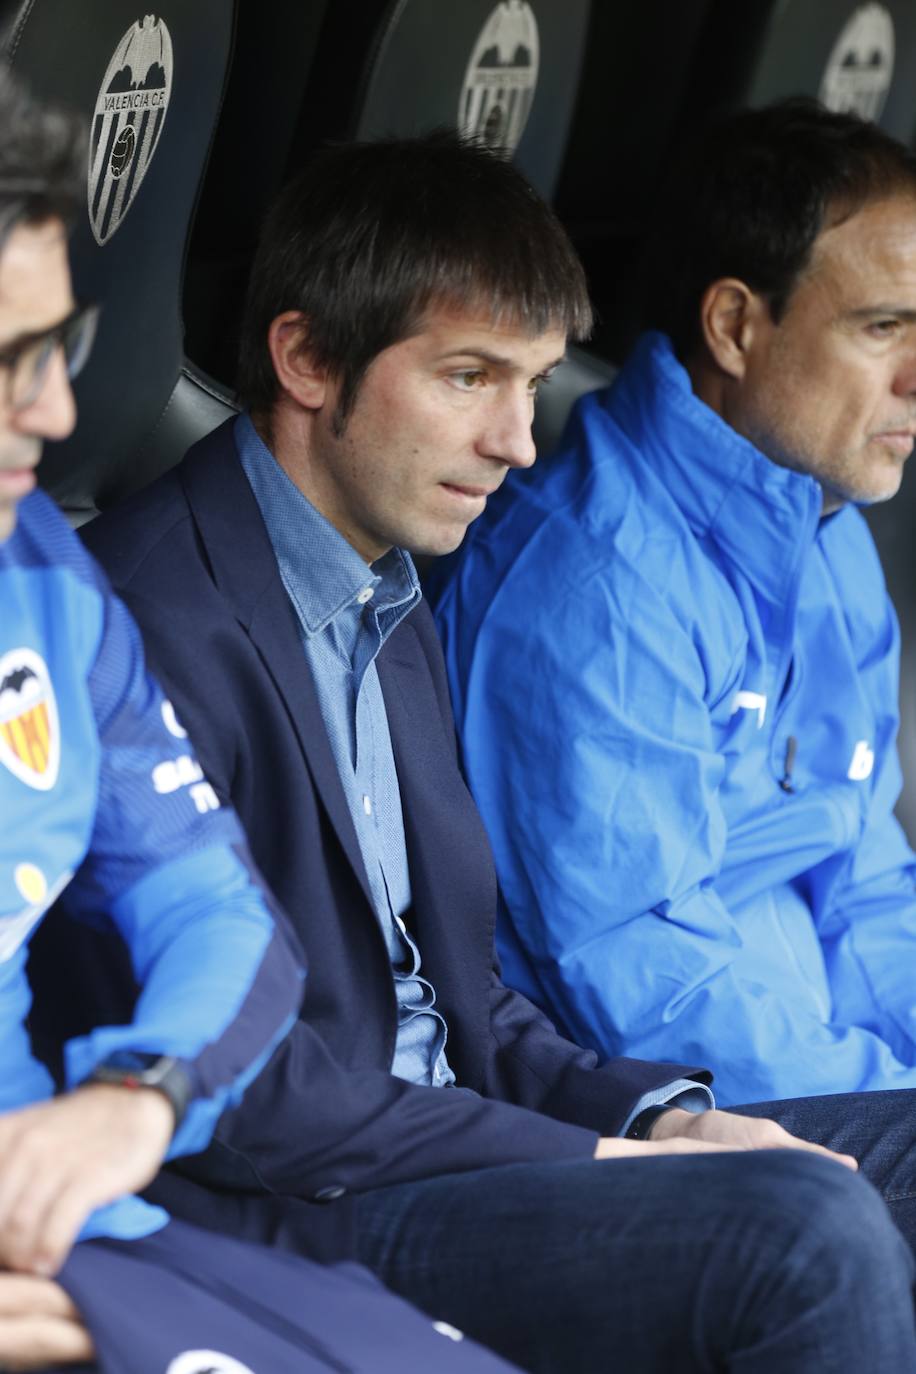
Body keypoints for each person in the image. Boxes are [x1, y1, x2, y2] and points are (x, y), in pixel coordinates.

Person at [80, 129, 916, 1373]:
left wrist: (662, 1116)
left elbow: (462, 990)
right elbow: (245, 1090)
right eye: (470, 377)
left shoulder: (386, 581)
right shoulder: (150, 619)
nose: (519, 442)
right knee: (805, 1232)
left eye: (529, 383)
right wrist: (594, 1157)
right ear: (305, 358)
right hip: (292, 1209)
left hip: (458, 1134)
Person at [0, 70, 521, 1374]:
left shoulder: (45, 586)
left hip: (79, 1228)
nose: (59, 410)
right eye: (8, 358)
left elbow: (219, 913)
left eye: (54, 350)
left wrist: (141, 1090)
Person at [431, 98, 916, 1109]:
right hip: (674, 1132)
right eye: (883, 330)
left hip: (837, 1091)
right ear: (735, 326)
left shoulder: (832, 538)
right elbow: (649, 985)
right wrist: (891, 1104)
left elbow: (869, 890)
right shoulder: (594, 582)